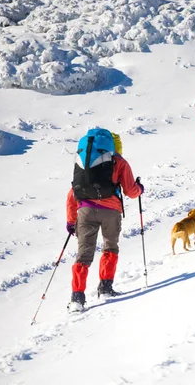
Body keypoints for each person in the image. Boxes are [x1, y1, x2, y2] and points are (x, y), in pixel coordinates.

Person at [66, 131, 143, 312]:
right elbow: (131, 192)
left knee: (83, 255)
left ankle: (77, 298)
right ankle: (106, 289)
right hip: (111, 211)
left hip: (85, 211)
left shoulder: (84, 163)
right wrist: (140, 188)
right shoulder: (119, 162)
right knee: (110, 247)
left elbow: (72, 195)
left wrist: (71, 221)